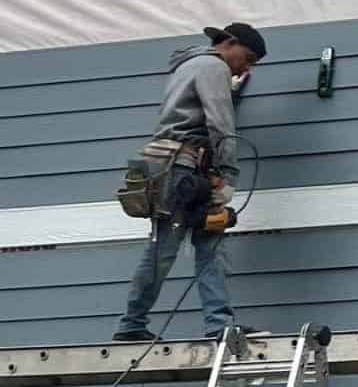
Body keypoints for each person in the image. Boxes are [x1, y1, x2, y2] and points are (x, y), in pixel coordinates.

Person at [113, 23, 267, 344]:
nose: (246, 66)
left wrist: (232, 93)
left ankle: (219, 325)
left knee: (208, 244)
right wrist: (229, 175)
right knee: (166, 248)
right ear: (229, 42)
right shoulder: (214, 66)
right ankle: (131, 324)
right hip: (183, 170)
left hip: (180, 168)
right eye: (247, 57)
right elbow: (219, 122)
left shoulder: (189, 66)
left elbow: (195, 111)